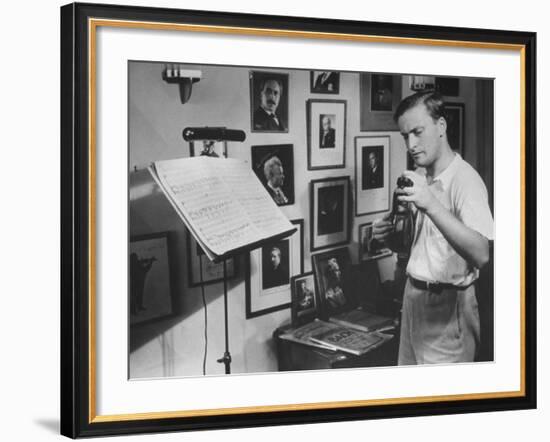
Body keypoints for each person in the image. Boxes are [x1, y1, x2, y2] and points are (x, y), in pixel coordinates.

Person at [372, 90, 493, 365]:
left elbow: (482, 254)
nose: (410, 144)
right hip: (412, 298)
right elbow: (420, 248)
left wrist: (432, 204)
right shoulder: (420, 177)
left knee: (441, 402)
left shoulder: (465, 181)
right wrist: (390, 238)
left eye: (417, 132)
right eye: (405, 136)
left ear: (441, 127)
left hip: (449, 307)